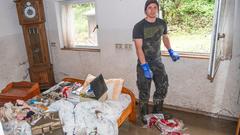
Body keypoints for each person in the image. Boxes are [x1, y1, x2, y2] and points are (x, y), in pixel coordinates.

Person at [132, 0, 180, 125]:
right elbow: (138, 48)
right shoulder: (139, 26)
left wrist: (170, 50)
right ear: (145, 10)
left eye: (155, 7)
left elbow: (165, 37)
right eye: (149, 8)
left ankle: (157, 111)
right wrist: (144, 66)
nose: (152, 10)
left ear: (157, 9)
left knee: (163, 86)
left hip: (158, 62)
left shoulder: (162, 23)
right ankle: (143, 114)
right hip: (144, 62)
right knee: (144, 90)